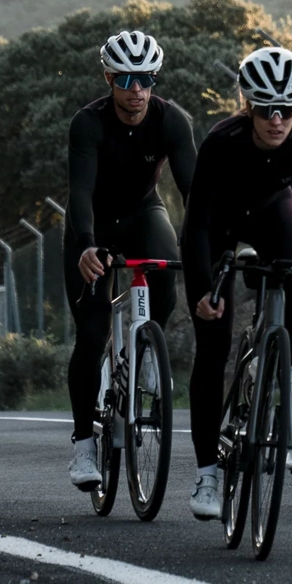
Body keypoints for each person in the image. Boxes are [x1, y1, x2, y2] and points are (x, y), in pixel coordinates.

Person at [181, 46, 292, 520]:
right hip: (221, 227)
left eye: (288, 108)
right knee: (212, 348)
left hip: (274, 213)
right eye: (266, 110)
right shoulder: (222, 140)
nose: (277, 120)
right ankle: (208, 475)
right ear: (249, 105)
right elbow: (195, 225)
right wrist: (201, 292)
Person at [64, 29, 197, 491]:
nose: (136, 89)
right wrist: (84, 244)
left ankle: (144, 353)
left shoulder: (172, 120)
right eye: (125, 79)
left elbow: (192, 194)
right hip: (92, 224)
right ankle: (84, 445)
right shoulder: (88, 123)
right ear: (108, 78)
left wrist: (206, 242)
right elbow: (79, 192)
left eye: (146, 78)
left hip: (143, 211)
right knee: (93, 330)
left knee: (166, 276)